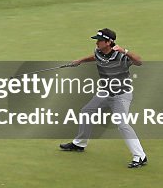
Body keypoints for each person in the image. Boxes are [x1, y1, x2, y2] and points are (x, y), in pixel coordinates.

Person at [59, 28, 148, 168]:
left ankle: (140, 156)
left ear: (109, 42)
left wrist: (125, 51)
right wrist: (80, 61)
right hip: (105, 92)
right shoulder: (99, 52)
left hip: (121, 95)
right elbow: (95, 57)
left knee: (122, 124)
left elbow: (139, 62)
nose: (97, 43)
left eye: (100, 41)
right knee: (86, 112)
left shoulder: (120, 56)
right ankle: (79, 144)